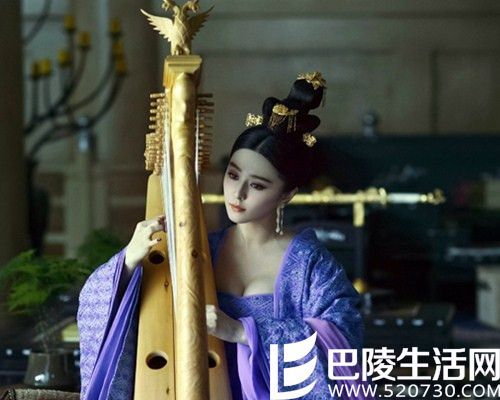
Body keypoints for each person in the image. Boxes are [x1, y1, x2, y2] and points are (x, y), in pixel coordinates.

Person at [78, 72, 374, 399]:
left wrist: (242, 331)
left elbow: (343, 341)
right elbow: (102, 309)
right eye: (233, 175)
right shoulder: (202, 249)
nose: (238, 193)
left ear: (287, 194)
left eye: (257, 185)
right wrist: (128, 264)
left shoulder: (310, 265)